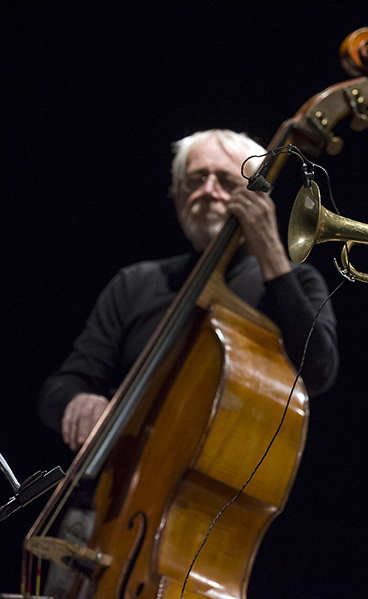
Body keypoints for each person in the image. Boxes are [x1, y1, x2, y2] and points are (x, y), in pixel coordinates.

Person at [37, 129, 339, 594]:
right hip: (102, 505)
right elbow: (64, 383)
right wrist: (78, 403)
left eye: (224, 179)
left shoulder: (292, 284)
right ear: (177, 196)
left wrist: (272, 255)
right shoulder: (136, 283)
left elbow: (317, 371)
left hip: (201, 526)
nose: (207, 192)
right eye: (194, 180)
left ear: (256, 191)